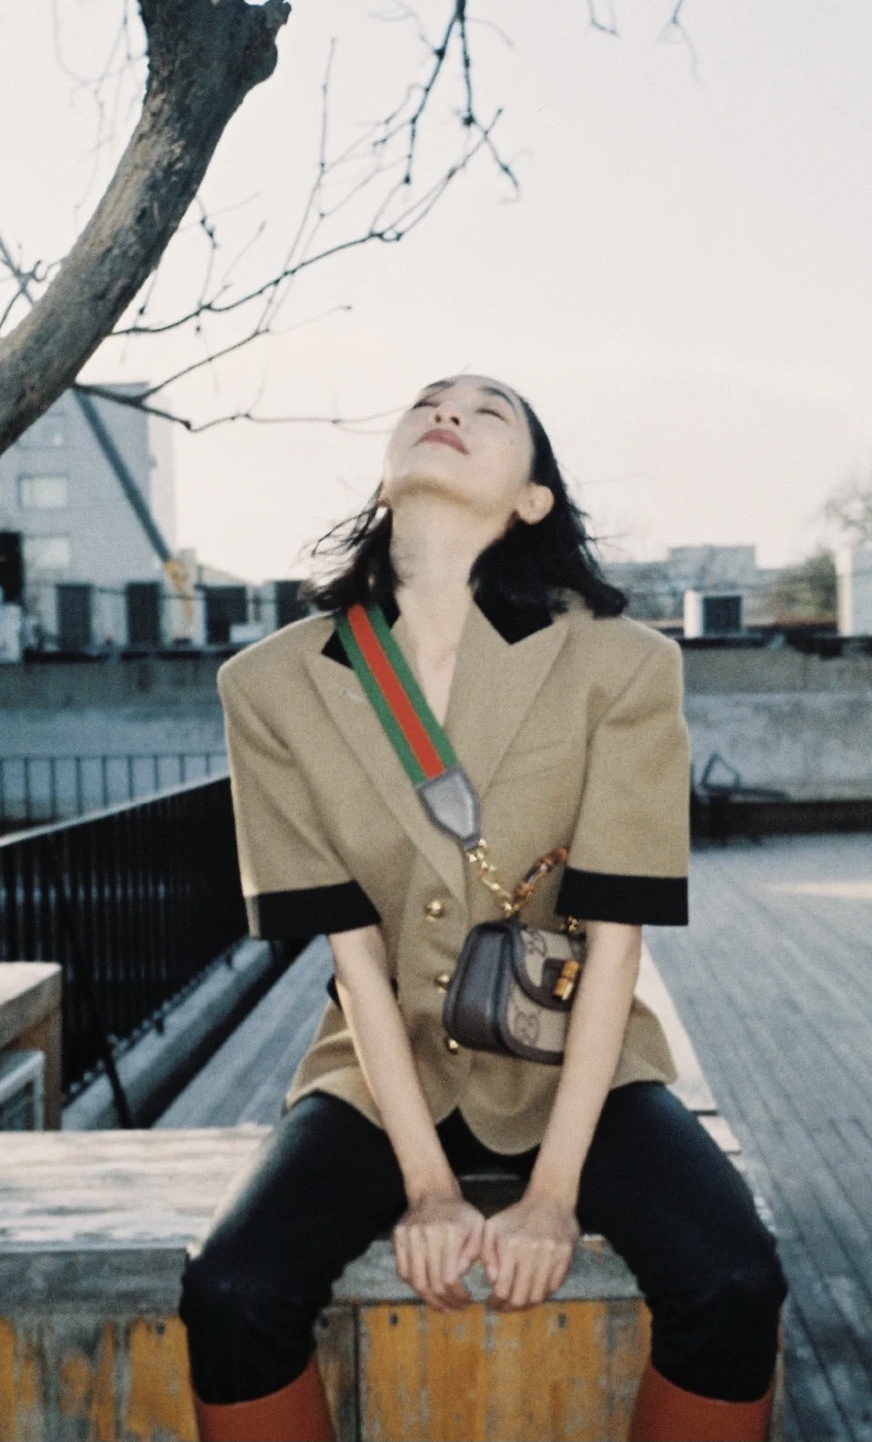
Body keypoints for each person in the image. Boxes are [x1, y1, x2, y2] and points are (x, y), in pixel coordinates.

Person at [179, 374, 787, 1442]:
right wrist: (429, 1187)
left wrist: (551, 1196)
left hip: (575, 1058)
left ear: (533, 500)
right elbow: (353, 959)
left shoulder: (621, 664)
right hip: (381, 1069)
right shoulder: (270, 685)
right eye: (428, 400)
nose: (447, 411)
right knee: (232, 1290)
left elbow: (617, 945)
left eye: (489, 409)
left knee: (735, 1279)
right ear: (386, 474)